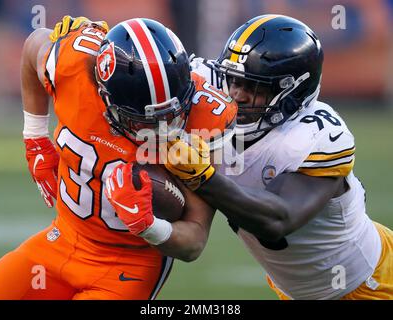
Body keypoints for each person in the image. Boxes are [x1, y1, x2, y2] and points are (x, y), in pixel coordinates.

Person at [0, 16, 237, 300]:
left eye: (171, 114)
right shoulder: (74, 66)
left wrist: (149, 226)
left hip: (129, 268)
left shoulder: (206, 117)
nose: (162, 128)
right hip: (62, 240)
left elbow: (194, 242)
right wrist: (35, 138)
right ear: (105, 96)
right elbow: (34, 45)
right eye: (144, 120)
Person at [164, 14, 393, 300]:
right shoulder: (210, 83)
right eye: (233, 79)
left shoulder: (314, 136)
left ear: (294, 92)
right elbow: (155, 66)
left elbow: (278, 219)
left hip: (367, 286)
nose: (237, 94)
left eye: (255, 87)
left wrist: (203, 177)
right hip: (295, 290)